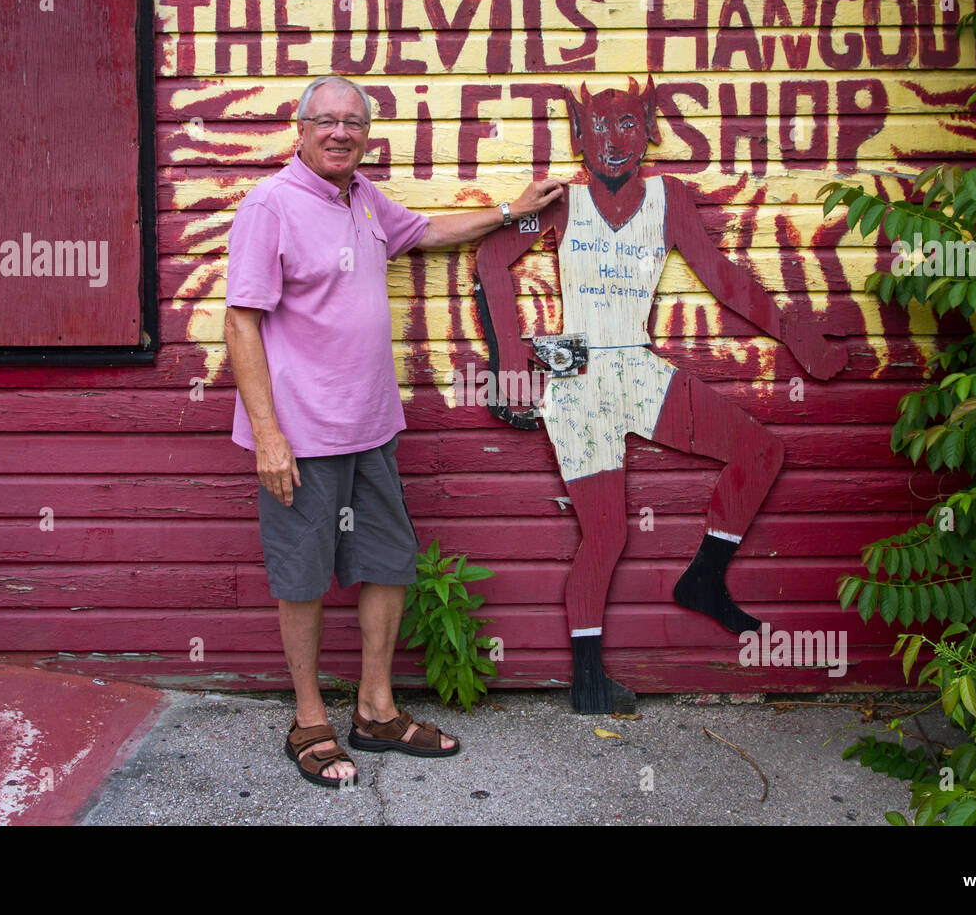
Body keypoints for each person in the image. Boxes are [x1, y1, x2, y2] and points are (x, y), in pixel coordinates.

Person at [224, 75, 563, 787]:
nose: (340, 133)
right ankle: (310, 717)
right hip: (303, 432)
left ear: (366, 133)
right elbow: (241, 320)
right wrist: (268, 434)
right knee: (305, 576)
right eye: (327, 121)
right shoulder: (271, 206)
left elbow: (429, 231)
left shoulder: (365, 198)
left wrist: (510, 211)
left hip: (371, 423)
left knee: (386, 561)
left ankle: (375, 709)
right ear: (301, 126)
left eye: (353, 122)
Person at [475, 78, 848, 713]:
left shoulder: (668, 198)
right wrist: (510, 361)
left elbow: (723, 279)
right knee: (606, 535)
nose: (611, 141)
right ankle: (589, 681)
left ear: (648, 131)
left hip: (637, 366)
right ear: (578, 136)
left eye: (626, 126)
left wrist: (793, 335)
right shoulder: (561, 202)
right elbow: (491, 261)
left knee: (759, 453)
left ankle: (704, 577)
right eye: (597, 127)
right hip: (578, 377)